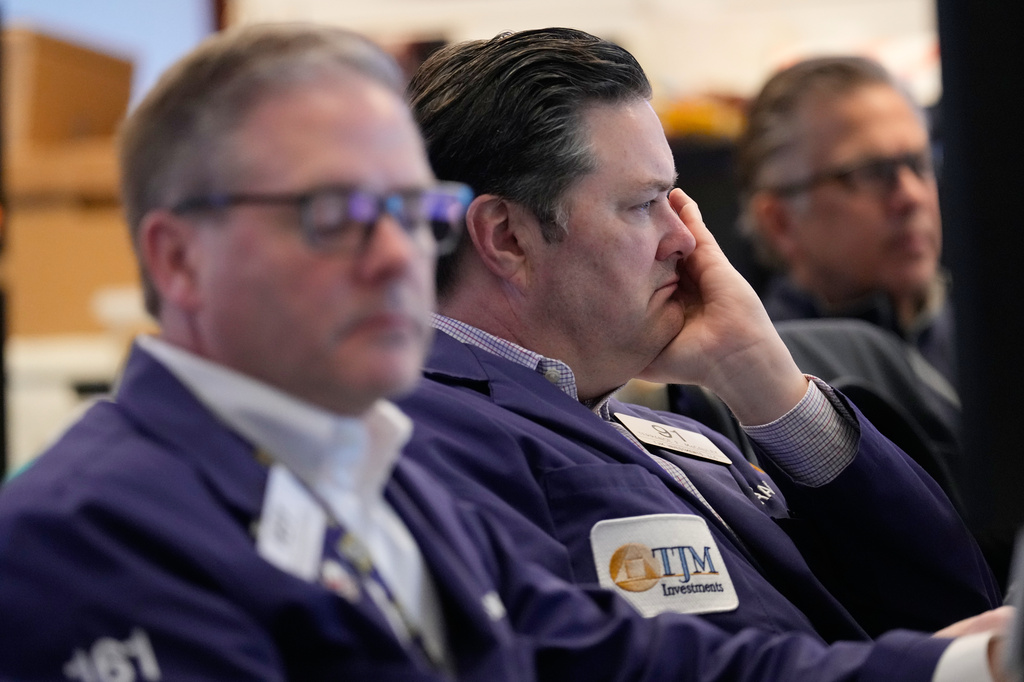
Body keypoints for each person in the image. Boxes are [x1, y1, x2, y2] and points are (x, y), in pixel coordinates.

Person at [0, 22, 1010, 682]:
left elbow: (628, 662)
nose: (397, 253)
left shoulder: (375, 479)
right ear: (179, 258)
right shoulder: (78, 529)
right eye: (340, 213)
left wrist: (975, 661)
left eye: (411, 210)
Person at [397, 25, 1001, 654]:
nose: (686, 238)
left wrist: (765, 384)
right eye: (643, 205)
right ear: (507, 238)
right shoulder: (427, 435)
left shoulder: (678, 439)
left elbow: (957, 600)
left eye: (673, 199)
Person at [735, 55, 956, 389]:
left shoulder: (988, 328)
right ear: (780, 222)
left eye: (919, 163)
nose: (912, 196)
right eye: (869, 173)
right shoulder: (763, 388)